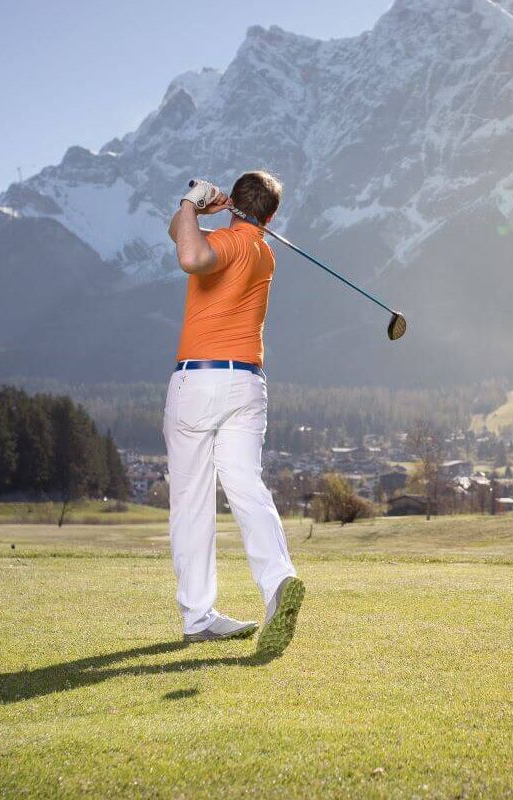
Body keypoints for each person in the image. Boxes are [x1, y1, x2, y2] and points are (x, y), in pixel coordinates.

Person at [164, 171, 303, 657]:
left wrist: (191, 201)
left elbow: (188, 254)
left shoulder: (230, 244)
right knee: (245, 483)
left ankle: (198, 615)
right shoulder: (264, 252)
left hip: (199, 380)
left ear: (236, 204)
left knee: (192, 499)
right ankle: (278, 580)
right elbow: (181, 233)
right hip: (248, 383)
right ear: (270, 215)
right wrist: (195, 213)